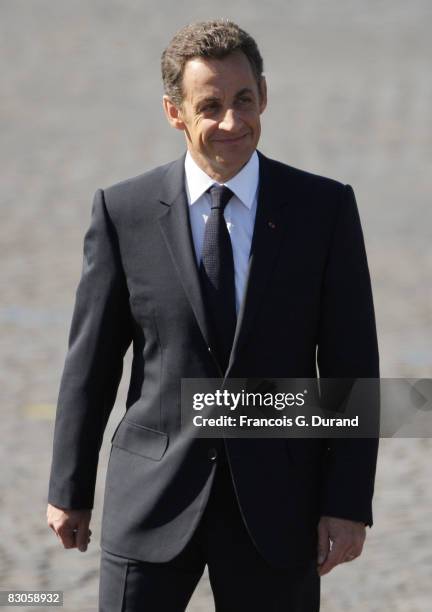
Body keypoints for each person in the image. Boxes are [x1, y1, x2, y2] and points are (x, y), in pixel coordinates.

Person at [47, 19, 379, 611]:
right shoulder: (123, 212)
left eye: (244, 100)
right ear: (175, 113)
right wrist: (69, 490)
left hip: (279, 505)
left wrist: (348, 502)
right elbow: (91, 363)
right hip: (151, 499)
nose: (232, 122)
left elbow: (354, 366)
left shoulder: (323, 209)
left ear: (265, 97)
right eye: (211, 106)